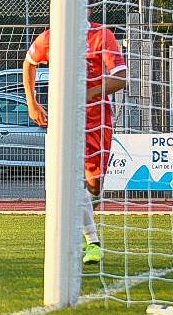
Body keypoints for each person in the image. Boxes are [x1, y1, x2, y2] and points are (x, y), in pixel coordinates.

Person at [24, 20, 127, 265]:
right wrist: (32, 102)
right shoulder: (51, 37)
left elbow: (121, 79)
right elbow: (29, 63)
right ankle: (93, 241)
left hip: (97, 121)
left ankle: (82, 222)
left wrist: (89, 93)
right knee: (70, 178)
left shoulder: (101, 35)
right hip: (65, 118)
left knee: (94, 186)